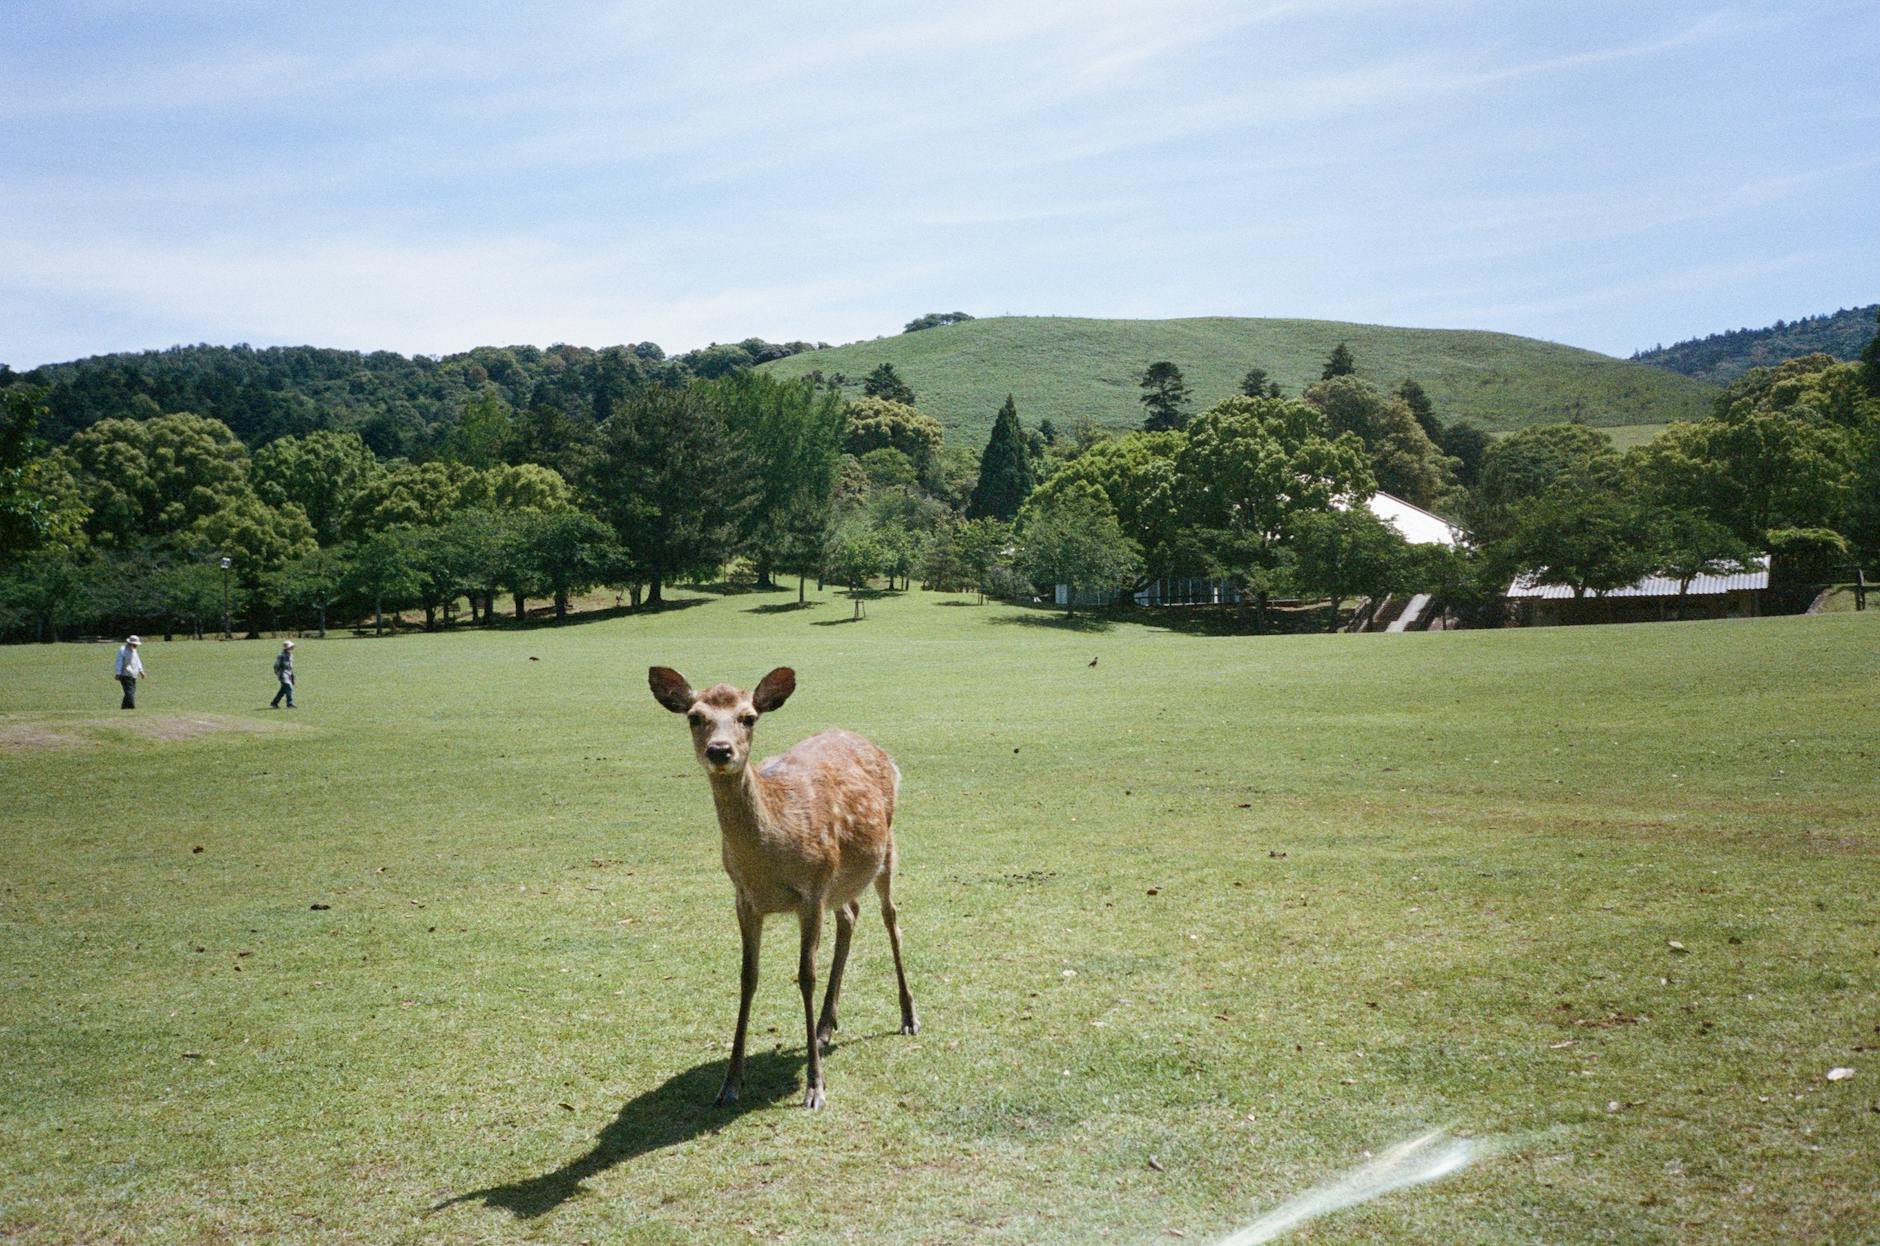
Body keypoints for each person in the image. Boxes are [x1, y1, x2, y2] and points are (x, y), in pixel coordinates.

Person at [114, 635, 145, 709]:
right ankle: (131, 707)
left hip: (133, 674)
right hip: (125, 674)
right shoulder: (123, 650)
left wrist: (141, 671)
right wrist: (118, 673)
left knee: (131, 691)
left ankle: (124, 707)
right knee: (130, 691)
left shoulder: (134, 651)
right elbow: (119, 662)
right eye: (135, 644)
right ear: (130, 643)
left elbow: (138, 661)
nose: (136, 646)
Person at [271, 640, 297, 708]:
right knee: (289, 687)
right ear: (287, 648)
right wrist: (279, 674)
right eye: (291, 647)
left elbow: (290, 667)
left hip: (288, 674)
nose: (292, 648)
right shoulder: (281, 656)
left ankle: (274, 703)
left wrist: (292, 675)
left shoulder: (291, 655)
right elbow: (276, 666)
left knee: (283, 690)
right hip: (283, 674)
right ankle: (289, 703)